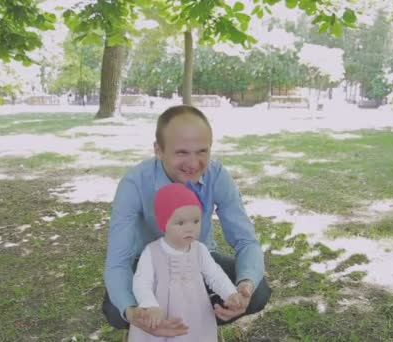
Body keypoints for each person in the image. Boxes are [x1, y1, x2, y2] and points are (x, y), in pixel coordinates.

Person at [102, 104, 271, 338]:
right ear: (158, 150)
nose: (193, 163)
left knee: (258, 291)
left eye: (202, 151)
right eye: (182, 152)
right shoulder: (135, 183)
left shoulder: (217, 175)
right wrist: (132, 312)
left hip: (200, 258)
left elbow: (246, 241)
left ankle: (198, 326)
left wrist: (245, 286)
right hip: (148, 264)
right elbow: (118, 261)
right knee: (115, 307)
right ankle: (153, 327)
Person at [129, 183, 244, 341]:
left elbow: (215, 275)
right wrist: (150, 305)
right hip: (162, 315)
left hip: (196, 312)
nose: (190, 228)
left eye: (196, 221)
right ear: (164, 224)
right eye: (181, 223)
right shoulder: (152, 251)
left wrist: (229, 293)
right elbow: (141, 282)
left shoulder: (199, 250)